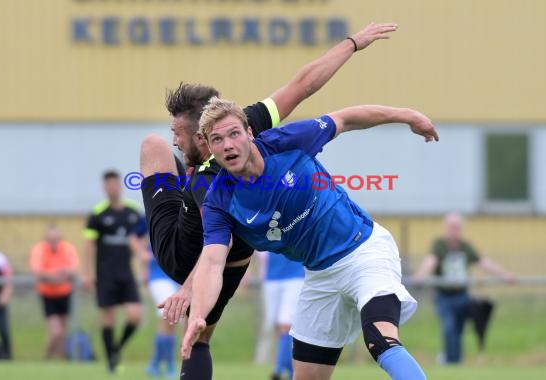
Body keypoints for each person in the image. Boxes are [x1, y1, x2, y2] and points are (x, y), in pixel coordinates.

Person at [141, 22, 398, 380]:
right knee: (200, 338)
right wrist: (352, 44)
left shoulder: (209, 183)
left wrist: (187, 292)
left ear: (200, 139)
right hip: (226, 259)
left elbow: (212, 253)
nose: (174, 140)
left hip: (191, 259)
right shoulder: (246, 127)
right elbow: (303, 85)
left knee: (152, 147)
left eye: (178, 134)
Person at [182, 97, 439, 380]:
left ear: (249, 133)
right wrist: (198, 315)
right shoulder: (219, 200)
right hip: (320, 276)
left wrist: (407, 114)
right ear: (209, 147)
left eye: (234, 133)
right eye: (217, 139)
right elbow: (212, 261)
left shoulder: (286, 141)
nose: (228, 144)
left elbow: (345, 117)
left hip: (364, 251)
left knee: (380, 339)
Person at [413, 212, 516, 364]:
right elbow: (431, 261)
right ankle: (450, 361)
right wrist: (421, 275)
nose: (454, 230)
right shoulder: (439, 245)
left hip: (462, 295)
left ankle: (457, 362)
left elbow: (483, 263)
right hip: (444, 296)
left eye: (457, 227)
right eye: (452, 227)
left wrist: (504, 275)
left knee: (459, 329)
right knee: (449, 328)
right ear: (446, 228)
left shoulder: (465, 246)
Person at [83, 170, 145, 373]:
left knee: (135, 315)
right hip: (105, 274)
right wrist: (88, 274)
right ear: (105, 188)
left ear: (120, 186)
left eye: (115, 184)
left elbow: (142, 242)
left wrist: (143, 268)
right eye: (108, 185)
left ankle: (116, 349)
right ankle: (111, 361)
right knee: (108, 318)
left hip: (126, 273)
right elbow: (89, 246)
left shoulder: (133, 212)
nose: (113, 188)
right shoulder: (98, 214)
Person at [134, 217, 180, 378]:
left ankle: (155, 363)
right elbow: (133, 236)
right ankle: (169, 366)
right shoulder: (153, 210)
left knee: (172, 320)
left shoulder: (187, 207)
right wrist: (142, 256)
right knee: (169, 315)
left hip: (178, 275)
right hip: (157, 274)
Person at [29, 224, 80, 359]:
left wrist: (56, 275)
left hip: (65, 293)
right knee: (55, 331)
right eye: (51, 240)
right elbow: (37, 272)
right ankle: (46, 356)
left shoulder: (68, 248)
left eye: (56, 240)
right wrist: (56, 275)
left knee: (63, 331)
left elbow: (73, 270)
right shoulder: (39, 249)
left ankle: (60, 359)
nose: (54, 243)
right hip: (48, 294)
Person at [255, 251, 304, 380]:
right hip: (271, 278)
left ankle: (280, 368)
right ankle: (290, 368)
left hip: (295, 276)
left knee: (286, 324)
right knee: (277, 325)